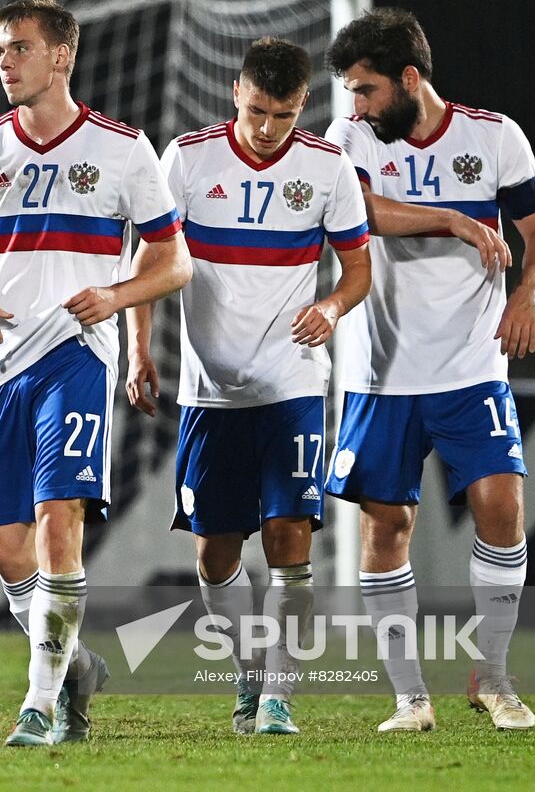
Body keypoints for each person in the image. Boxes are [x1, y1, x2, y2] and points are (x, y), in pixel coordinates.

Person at [0, 0, 191, 746]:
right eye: (0, 48)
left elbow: (174, 261)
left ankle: (38, 704)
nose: (4, 61)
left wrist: (116, 294)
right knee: (4, 546)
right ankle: (72, 665)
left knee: (56, 523)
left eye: (19, 47)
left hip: (75, 356)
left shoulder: (123, 148)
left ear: (62, 56)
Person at [323, 8, 535, 732]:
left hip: (471, 363)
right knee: (387, 524)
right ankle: (409, 697)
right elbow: (361, 209)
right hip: (380, 371)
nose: (355, 105)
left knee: (501, 507)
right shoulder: (349, 139)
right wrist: (453, 219)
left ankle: (494, 675)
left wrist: (528, 294)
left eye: (365, 90)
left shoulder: (493, 135)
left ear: (410, 78)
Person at [128, 37, 372, 735]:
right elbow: (150, 258)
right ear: (236, 92)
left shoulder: (328, 168)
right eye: (259, 111)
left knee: (289, 532)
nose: (268, 130)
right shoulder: (188, 158)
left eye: (285, 116)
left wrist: (329, 307)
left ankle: (278, 695)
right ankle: (246, 669)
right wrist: (137, 350)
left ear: (303, 107)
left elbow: (357, 270)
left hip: (292, 384)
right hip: (210, 394)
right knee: (214, 554)